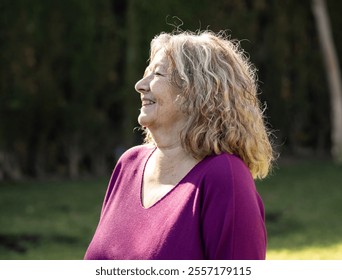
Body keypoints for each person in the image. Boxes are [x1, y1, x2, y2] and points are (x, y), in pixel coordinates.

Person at [84, 30, 274, 260]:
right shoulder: (129, 164)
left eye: (157, 74)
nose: (140, 85)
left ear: (197, 91)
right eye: (146, 74)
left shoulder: (224, 176)